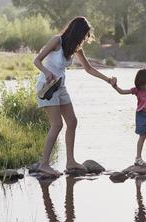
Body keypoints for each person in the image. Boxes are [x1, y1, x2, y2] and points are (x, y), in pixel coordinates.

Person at [34, 16, 116, 176]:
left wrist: (108, 80)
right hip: (47, 87)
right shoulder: (56, 41)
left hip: (61, 87)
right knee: (57, 125)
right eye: (84, 35)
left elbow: (89, 68)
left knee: (72, 121)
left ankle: (70, 161)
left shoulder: (76, 48)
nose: (85, 39)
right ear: (76, 32)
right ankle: (44, 164)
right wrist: (47, 72)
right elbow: (36, 60)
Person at [111, 60, 146, 168]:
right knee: (142, 136)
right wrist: (115, 86)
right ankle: (138, 158)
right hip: (141, 115)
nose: (143, 87)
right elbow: (122, 92)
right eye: (141, 85)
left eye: (145, 84)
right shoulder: (137, 90)